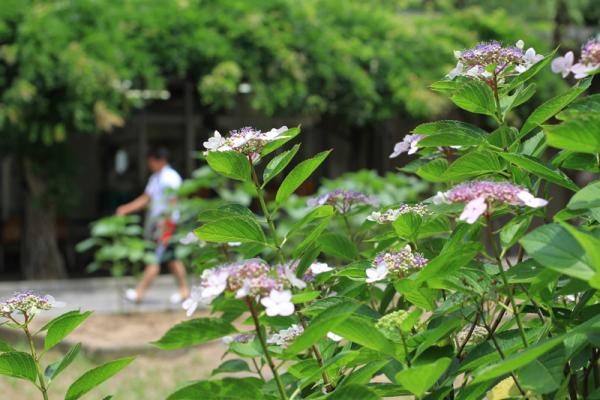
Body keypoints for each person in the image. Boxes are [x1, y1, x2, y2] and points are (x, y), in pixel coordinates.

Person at [116, 147, 189, 303]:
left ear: (161, 160)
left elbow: (173, 200)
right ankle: (184, 291)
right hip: (160, 223)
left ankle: (139, 293)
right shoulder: (156, 177)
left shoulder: (171, 177)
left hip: (167, 223)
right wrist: (126, 208)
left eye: (152, 162)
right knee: (172, 259)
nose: (150, 165)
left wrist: (166, 222)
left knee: (154, 258)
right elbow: (146, 198)